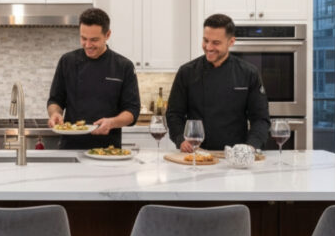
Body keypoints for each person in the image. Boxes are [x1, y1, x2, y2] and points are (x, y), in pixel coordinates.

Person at [166, 13, 270, 151]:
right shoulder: (186, 72)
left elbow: (260, 119)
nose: (208, 47)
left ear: (231, 42)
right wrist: (180, 139)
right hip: (196, 154)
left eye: (216, 43)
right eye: (205, 40)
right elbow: (174, 114)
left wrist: (251, 146)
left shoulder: (248, 73)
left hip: (234, 155)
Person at [47, 8, 141, 150]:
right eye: (83, 38)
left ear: (107, 35)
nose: (88, 45)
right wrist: (55, 114)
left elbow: (132, 111)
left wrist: (112, 122)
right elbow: (55, 100)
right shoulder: (67, 61)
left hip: (108, 150)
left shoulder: (123, 66)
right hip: (71, 148)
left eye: (94, 40)